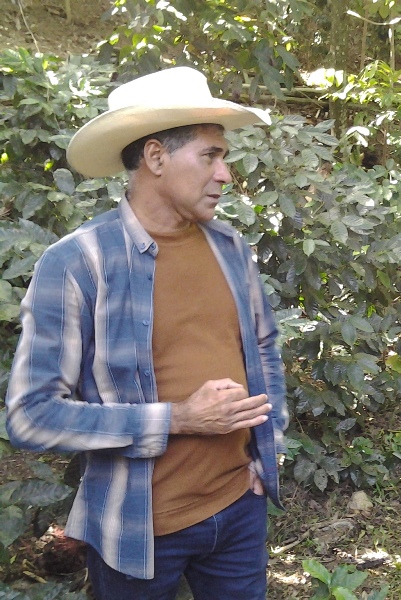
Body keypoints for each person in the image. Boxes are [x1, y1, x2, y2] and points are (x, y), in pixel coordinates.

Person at [5, 66, 288, 600]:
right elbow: (31, 416)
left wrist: (265, 452)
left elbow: (264, 346)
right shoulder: (77, 263)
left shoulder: (230, 248)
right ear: (156, 157)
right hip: (137, 528)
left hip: (239, 508)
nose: (226, 173)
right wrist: (179, 418)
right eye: (210, 155)